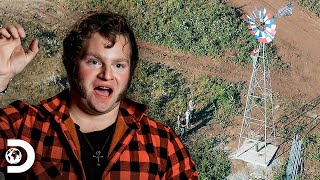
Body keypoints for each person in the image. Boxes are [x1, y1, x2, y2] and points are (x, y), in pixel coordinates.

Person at [0, 11, 198, 179]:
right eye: (94, 62)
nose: (107, 75)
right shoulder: (24, 127)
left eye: (119, 65)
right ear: (70, 65)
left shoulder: (161, 144)